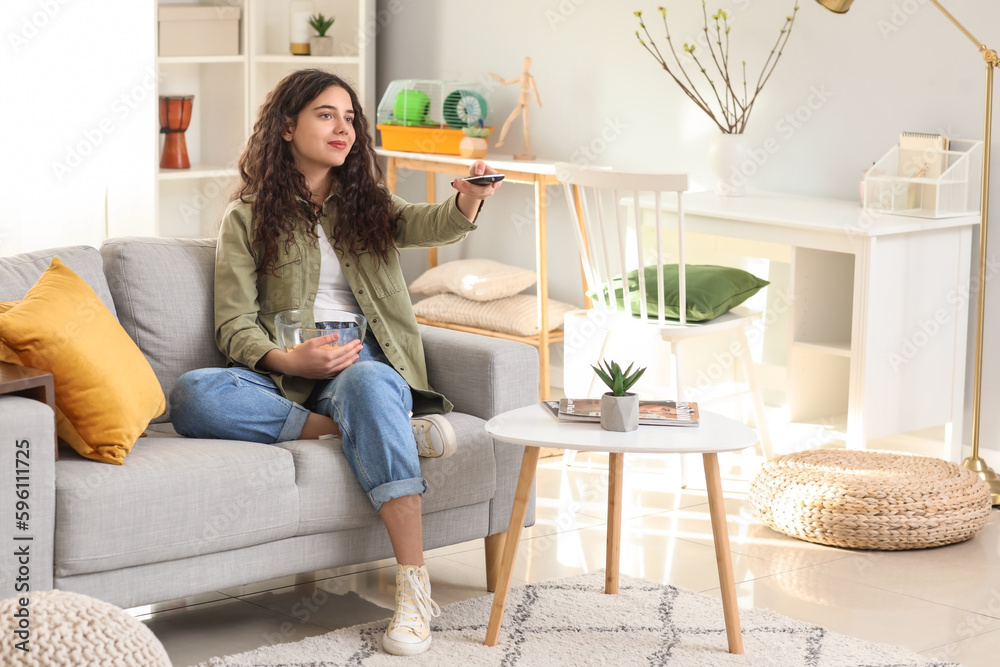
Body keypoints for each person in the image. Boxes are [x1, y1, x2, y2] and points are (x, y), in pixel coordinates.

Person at [169, 68, 502, 656]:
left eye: (350, 118)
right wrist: (286, 357)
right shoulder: (246, 217)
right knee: (195, 393)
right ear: (287, 125)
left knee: (371, 381)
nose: (343, 127)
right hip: (290, 376)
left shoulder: (367, 204)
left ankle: (413, 588)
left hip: (365, 362)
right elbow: (232, 323)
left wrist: (467, 198)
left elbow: (430, 223)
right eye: (326, 114)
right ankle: (379, 432)